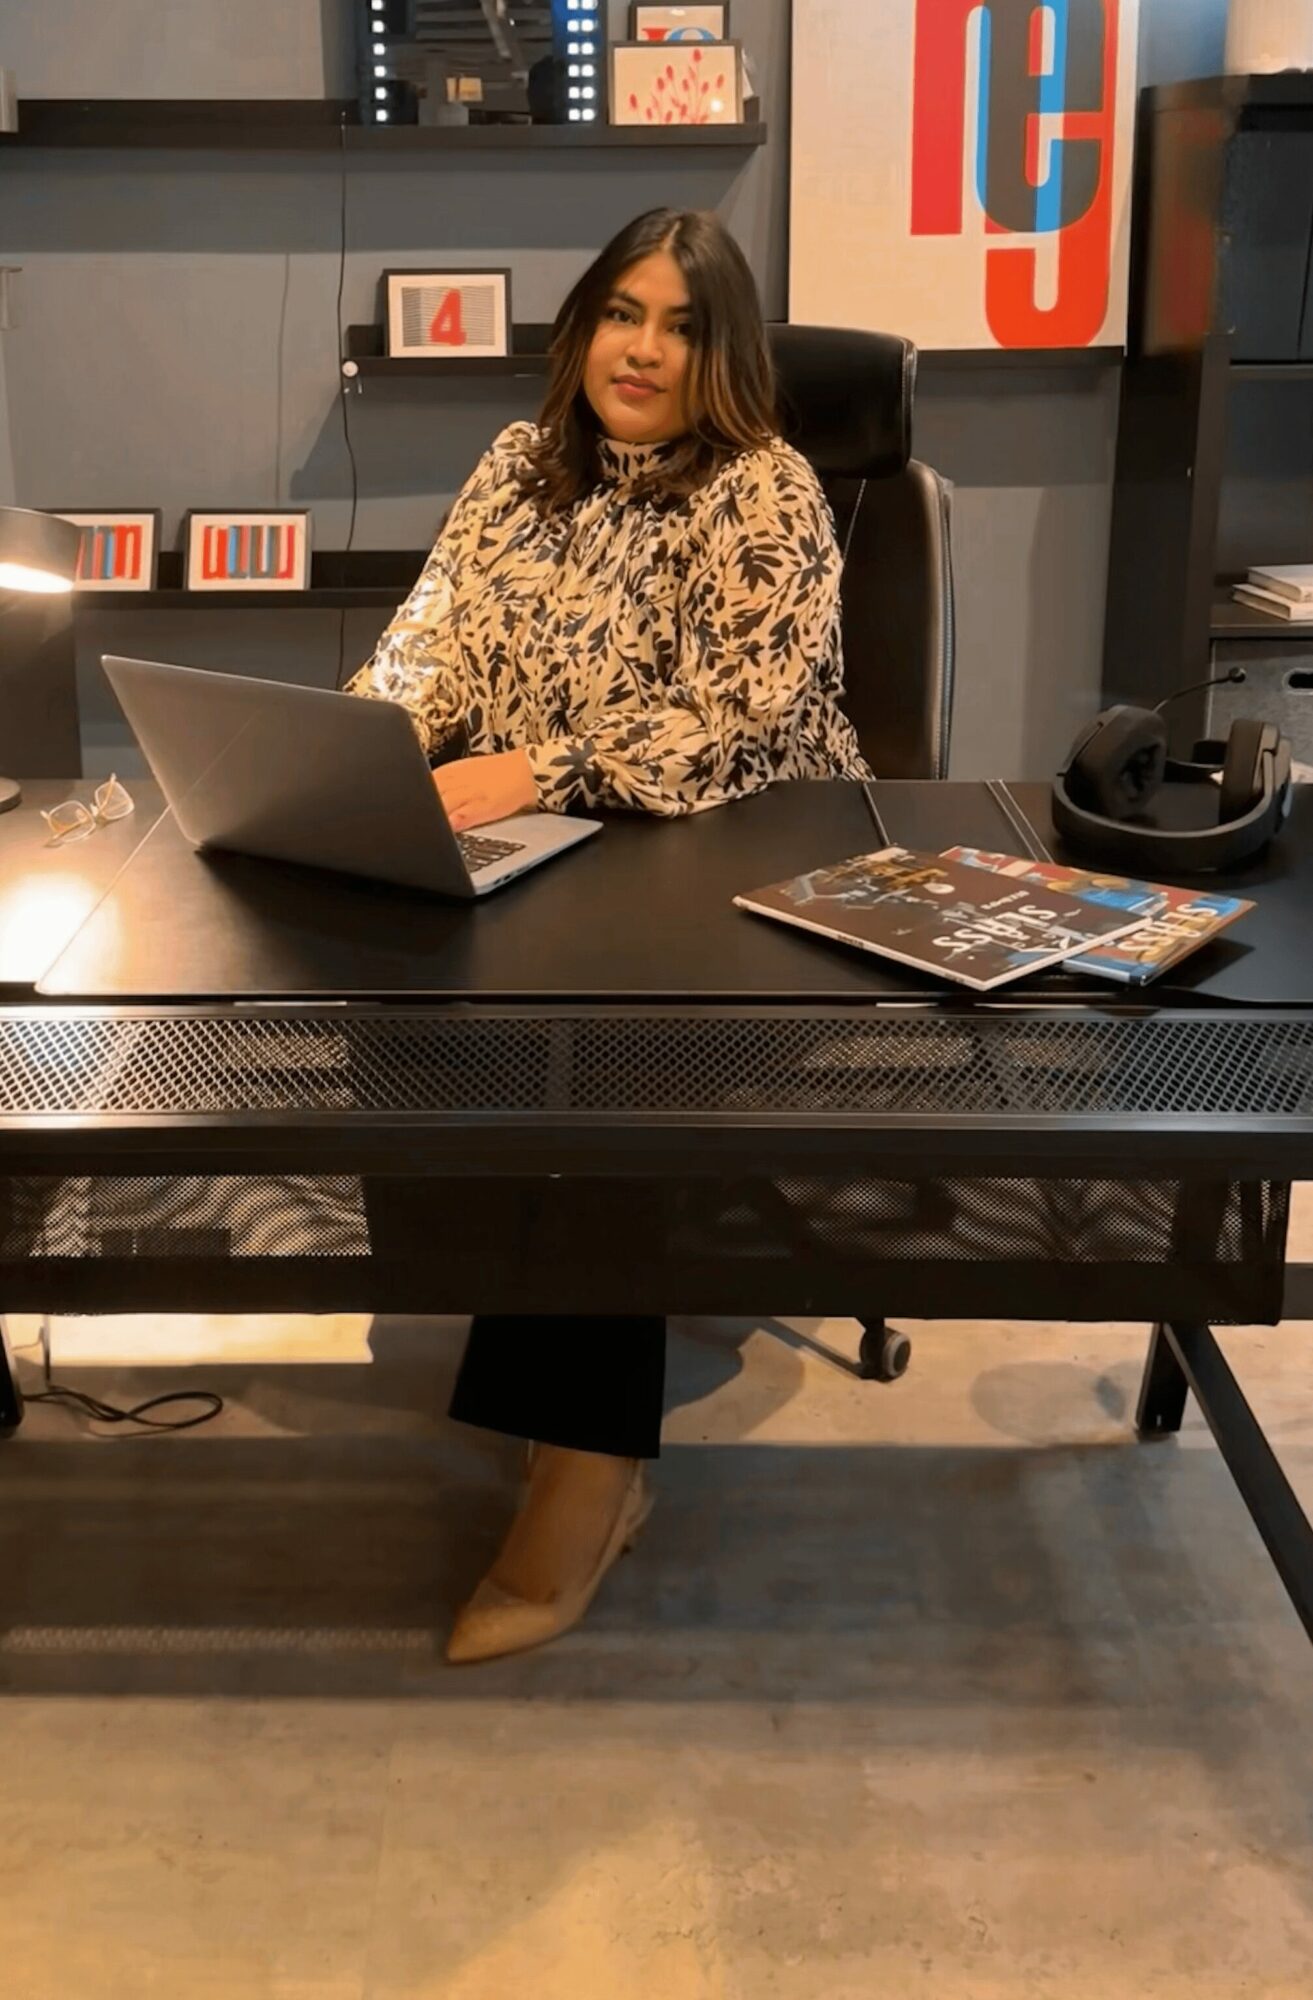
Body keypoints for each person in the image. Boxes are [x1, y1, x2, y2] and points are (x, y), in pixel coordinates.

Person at [347, 207, 870, 1663]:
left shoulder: (764, 494)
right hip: (538, 846)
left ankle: (587, 1476)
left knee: (589, 1073)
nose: (642, 350)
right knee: (371, 1000)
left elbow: (729, 724)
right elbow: (430, 637)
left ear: (727, 354)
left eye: (683, 325)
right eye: (621, 313)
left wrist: (533, 767)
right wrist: (352, 748)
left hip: (729, 854)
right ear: (578, 325)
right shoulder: (519, 465)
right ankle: (527, 1340)